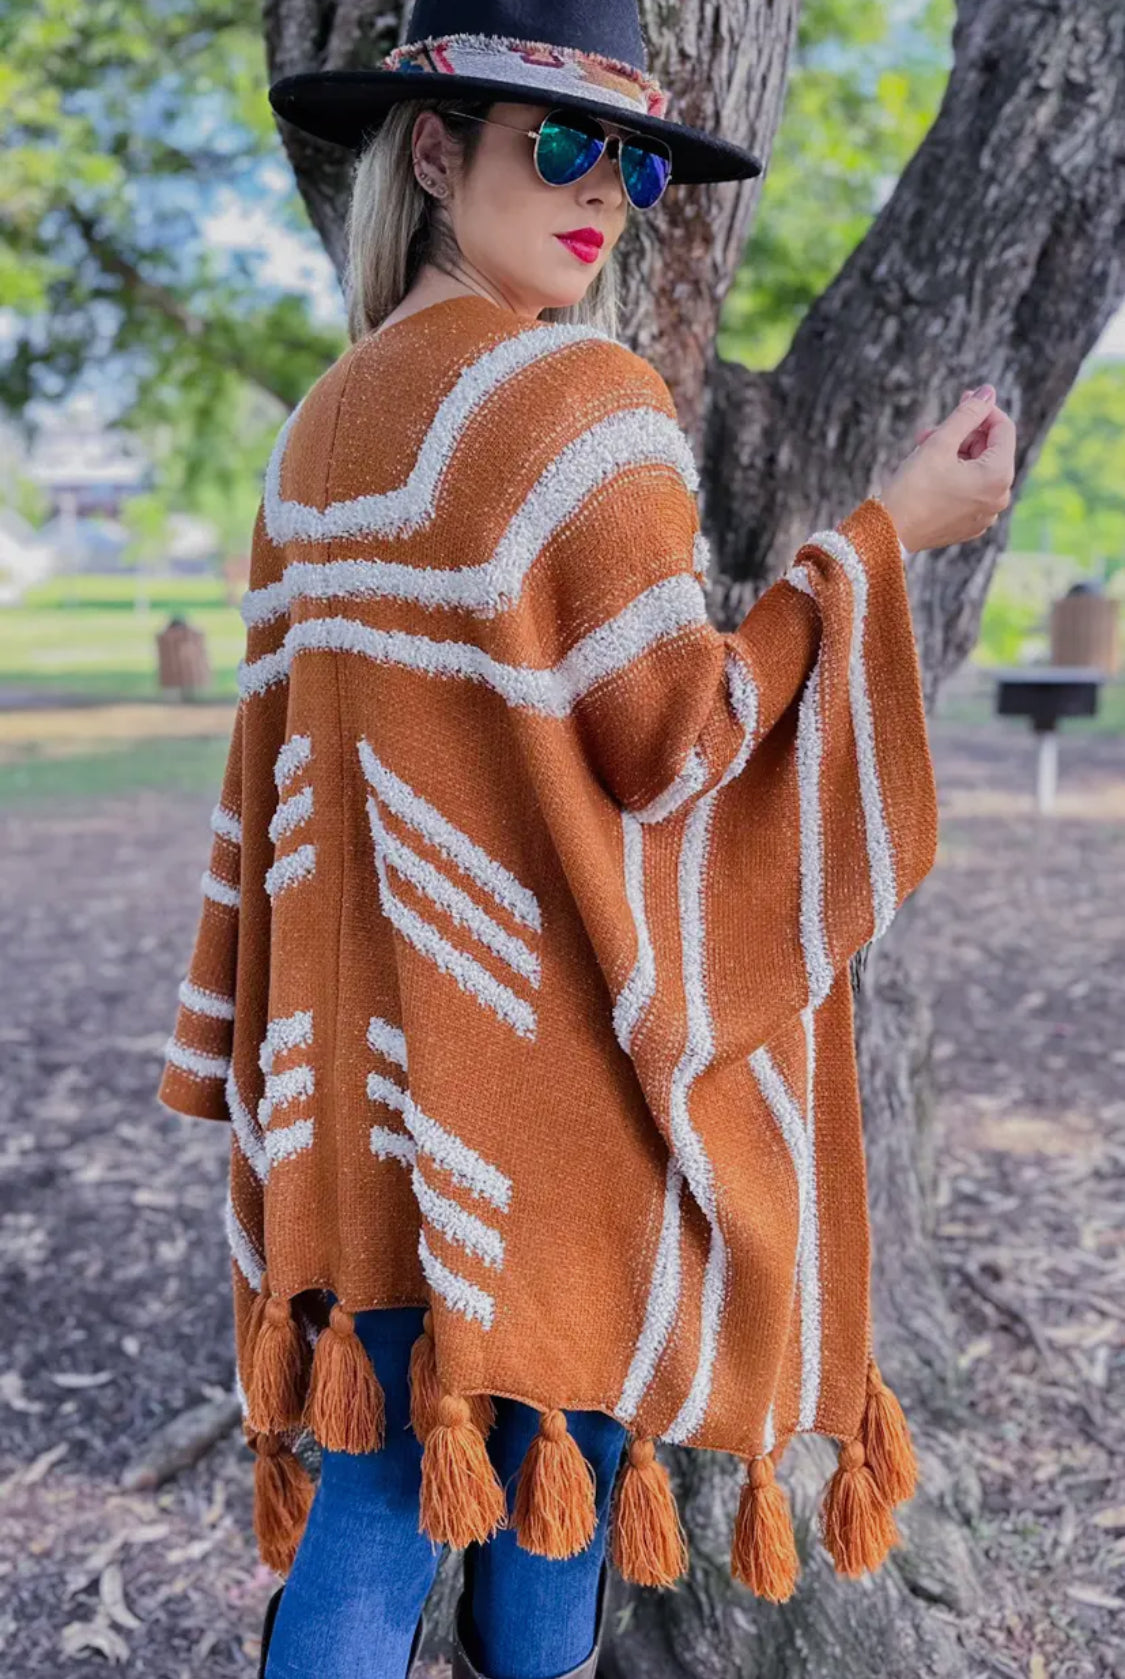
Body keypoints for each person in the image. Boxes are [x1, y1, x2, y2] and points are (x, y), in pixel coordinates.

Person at [156, 2, 1016, 1677]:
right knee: (564, 1458)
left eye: (632, 163)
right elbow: (676, 748)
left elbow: (283, 781)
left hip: (353, 1082)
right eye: (560, 145)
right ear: (432, 151)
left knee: (375, 1490)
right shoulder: (580, 402)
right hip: (543, 1088)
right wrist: (881, 538)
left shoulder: (314, 434)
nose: (605, 192)